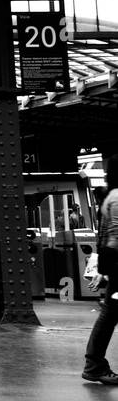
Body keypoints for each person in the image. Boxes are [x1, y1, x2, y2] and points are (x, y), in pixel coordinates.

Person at [83, 156, 118, 384]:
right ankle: (94, 364)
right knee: (109, 314)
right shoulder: (116, 198)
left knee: (110, 313)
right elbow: (115, 236)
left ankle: (94, 364)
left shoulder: (112, 196)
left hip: (114, 265)